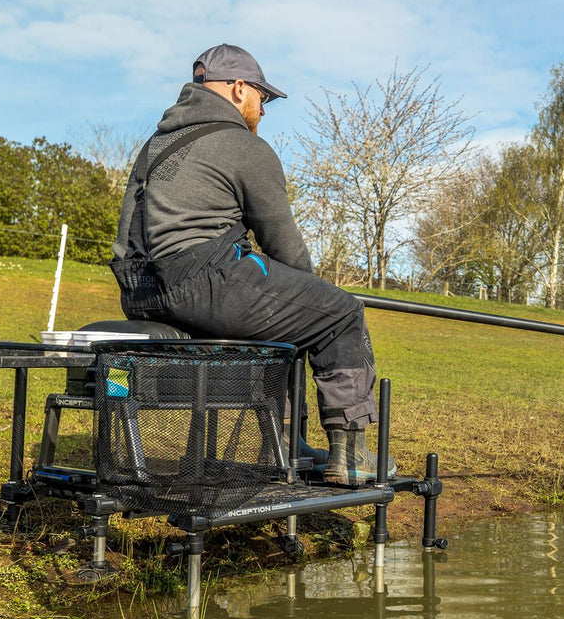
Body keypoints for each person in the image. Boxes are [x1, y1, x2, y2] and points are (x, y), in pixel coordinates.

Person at [110, 43, 390, 485]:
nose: (263, 110)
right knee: (337, 314)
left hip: (140, 291)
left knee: (291, 312)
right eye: (263, 98)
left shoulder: (156, 144)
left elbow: (128, 231)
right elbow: (287, 250)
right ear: (240, 89)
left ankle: (283, 445)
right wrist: (311, 300)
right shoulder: (241, 144)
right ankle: (352, 456)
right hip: (204, 280)